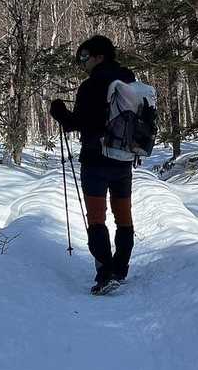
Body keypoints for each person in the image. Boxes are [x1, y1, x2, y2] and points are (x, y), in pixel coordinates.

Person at [50, 35, 136, 293]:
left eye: (85, 57)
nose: (82, 62)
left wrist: (58, 111)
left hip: (95, 160)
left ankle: (105, 273)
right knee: (124, 216)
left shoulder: (90, 86)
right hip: (124, 160)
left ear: (100, 57)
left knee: (97, 218)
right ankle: (120, 268)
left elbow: (76, 123)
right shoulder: (130, 82)